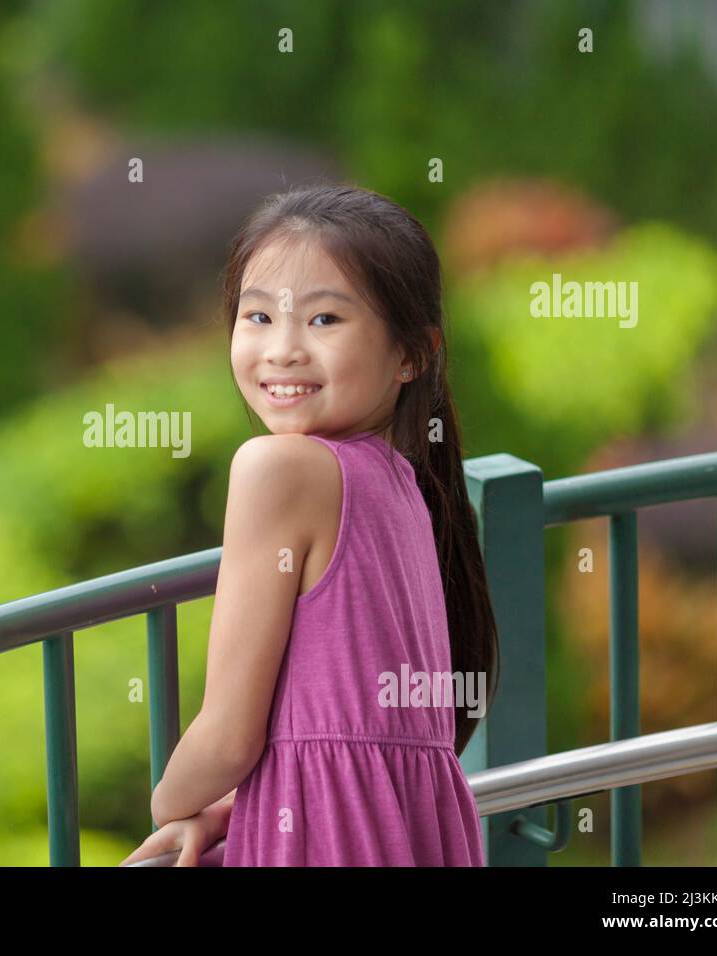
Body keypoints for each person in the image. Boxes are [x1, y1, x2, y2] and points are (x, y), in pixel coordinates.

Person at [121, 182, 499, 867]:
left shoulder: (279, 470)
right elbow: (350, 733)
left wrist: (169, 807)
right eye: (258, 317)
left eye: (325, 320)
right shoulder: (404, 480)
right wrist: (234, 812)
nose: (283, 350)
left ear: (412, 353)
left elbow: (230, 736)